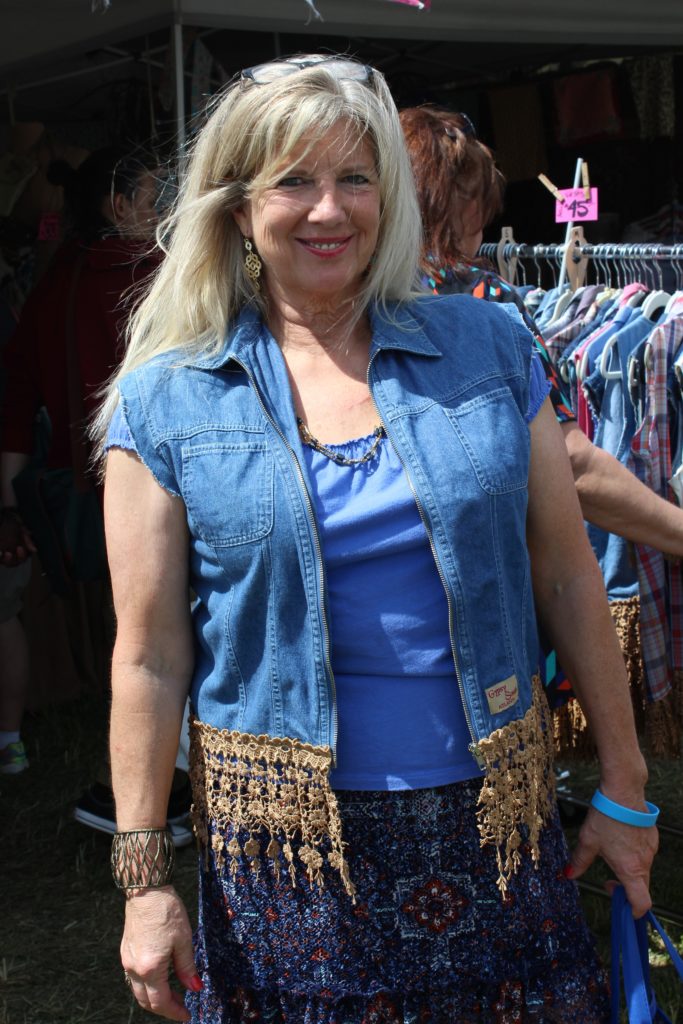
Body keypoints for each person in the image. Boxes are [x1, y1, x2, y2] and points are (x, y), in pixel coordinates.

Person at [98, 55, 657, 1023]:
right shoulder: (167, 399)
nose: (328, 210)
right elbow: (147, 656)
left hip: (496, 831)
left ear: (387, 198)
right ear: (236, 207)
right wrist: (143, 876)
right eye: (294, 181)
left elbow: (567, 578)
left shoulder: (487, 349)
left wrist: (623, 786)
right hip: (286, 866)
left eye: (354, 177)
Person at [0, 146, 192, 839]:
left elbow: (15, 398)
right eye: (152, 194)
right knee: (180, 638)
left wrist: (8, 503)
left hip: (91, 491)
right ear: (118, 207)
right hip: (171, 484)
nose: (166, 206)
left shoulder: (57, 283)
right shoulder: (159, 273)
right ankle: (153, 795)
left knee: (137, 642)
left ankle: (150, 793)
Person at [399, 104, 683, 557]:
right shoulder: (483, 302)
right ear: (456, 201)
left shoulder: (343, 303)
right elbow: (571, 464)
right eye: (479, 202)